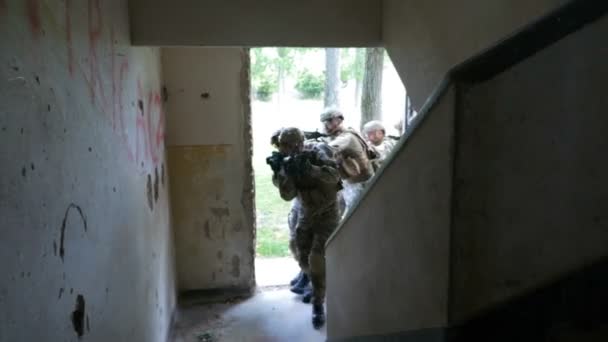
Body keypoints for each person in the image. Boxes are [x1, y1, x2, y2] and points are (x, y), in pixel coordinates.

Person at [269, 127, 342, 328]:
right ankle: (317, 285)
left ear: (300, 143)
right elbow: (288, 195)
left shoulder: (319, 151)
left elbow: (335, 176)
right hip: (305, 214)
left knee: (317, 258)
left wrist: (311, 169)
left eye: (291, 146)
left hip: (327, 214)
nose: (288, 150)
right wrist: (281, 174)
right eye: (284, 147)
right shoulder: (287, 162)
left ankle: (318, 304)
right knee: (303, 258)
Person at [320, 108, 375, 215]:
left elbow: (328, 149)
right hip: (352, 182)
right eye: (325, 123)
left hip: (358, 184)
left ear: (338, 121)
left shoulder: (346, 137)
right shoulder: (342, 135)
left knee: (355, 215)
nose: (325, 126)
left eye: (328, 122)